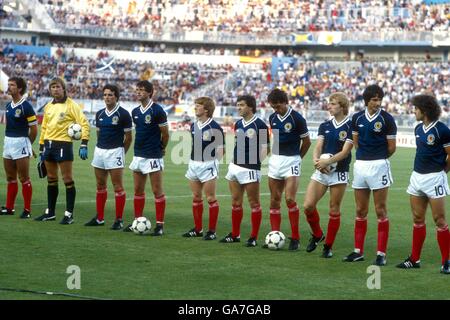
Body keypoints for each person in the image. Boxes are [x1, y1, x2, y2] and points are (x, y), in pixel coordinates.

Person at [343, 84, 397, 266]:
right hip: (360, 166)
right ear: (366, 101)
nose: (378, 102)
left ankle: (381, 254)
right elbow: (356, 143)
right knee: (360, 210)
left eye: (379, 99)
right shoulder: (357, 118)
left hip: (379, 165)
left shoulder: (387, 119)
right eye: (374, 99)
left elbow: (392, 148)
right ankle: (358, 251)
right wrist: (366, 157)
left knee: (380, 210)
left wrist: (378, 158)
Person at [396, 94, 450, 274]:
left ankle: (446, 262)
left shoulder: (442, 130)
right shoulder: (418, 129)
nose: (414, 112)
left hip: (435, 178)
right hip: (416, 177)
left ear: (425, 110)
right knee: (418, 219)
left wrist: (443, 171)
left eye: (416, 109)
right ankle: (414, 259)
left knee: (439, 220)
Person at [303, 92, 353, 258]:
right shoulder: (325, 125)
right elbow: (318, 146)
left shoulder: (351, 126)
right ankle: (317, 234)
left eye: (333, 104)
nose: (329, 106)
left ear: (342, 106)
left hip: (339, 173)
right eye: (329, 103)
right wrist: (317, 160)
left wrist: (327, 161)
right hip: (321, 170)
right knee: (308, 206)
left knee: (334, 210)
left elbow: (345, 152)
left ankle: (328, 247)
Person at [34, 77, 90, 224]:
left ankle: (69, 214)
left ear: (63, 88)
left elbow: (84, 123)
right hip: (48, 145)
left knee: (67, 179)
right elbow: (44, 127)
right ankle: (50, 213)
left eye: (58, 87)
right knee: (51, 179)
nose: (55, 89)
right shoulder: (48, 106)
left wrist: (84, 143)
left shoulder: (72, 105)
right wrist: (41, 148)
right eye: (52, 87)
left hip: (63, 145)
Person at [219, 95, 269, 247]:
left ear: (250, 107)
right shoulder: (238, 123)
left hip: (250, 168)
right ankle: (235, 234)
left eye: (241, 105)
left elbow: (266, 147)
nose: (238, 107)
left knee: (254, 203)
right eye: (238, 105)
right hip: (235, 166)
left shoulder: (259, 124)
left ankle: (253, 237)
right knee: (235, 202)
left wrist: (255, 163)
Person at [266, 88, 311, 251]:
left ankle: (296, 238)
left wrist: (298, 158)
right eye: (273, 107)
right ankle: (274, 235)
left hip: (292, 160)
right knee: (274, 200)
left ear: (285, 102)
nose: (276, 110)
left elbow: (306, 142)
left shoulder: (297, 118)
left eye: (278, 106)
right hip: (276, 160)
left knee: (290, 199)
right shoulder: (272, 118)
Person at [84, 84, 132, 230]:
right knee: (100, 186)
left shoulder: (123, 114)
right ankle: (99, 218)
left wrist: (120, 152)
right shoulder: (100, 114)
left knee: (117, 187)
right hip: (100, 151)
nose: (107, 97)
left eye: (110, 95)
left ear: (116, 97)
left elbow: (128, 138)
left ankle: (119, 220)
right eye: (105, 95)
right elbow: (98, 134)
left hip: (115, 152)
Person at [126, 80, 169, 235]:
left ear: (150, 93)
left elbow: (165, 134)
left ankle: (160, 226)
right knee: (138, 190)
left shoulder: (158, 111)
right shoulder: (135, 112)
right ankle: (137, 221)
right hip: (138, 154)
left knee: (157, 191)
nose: (138, 92)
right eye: (137, 89)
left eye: (142, 90)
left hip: (153, 156)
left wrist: (161, 149)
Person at [182, 96, 225, 240]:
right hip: (193, 164)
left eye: (198, 105)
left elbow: (221, 150)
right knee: (196, 197)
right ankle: (198, 229)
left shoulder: (215, 127)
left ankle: (212, 231)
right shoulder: (194, 125)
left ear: (206, 109)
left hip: (208, 165)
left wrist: (212, 162)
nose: (195, 107)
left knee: (211, 198)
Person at [1, 77, 38, 218]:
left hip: (21, 143)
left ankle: (27, 210)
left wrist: (28, 144)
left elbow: (34, 129)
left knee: (24, 178)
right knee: (10, 177)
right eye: (9, 84)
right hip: (8, 142)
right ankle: (9, 208)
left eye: (12, 85)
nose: (9, 87)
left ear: (20, 89)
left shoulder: (26, 106)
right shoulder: (9, 106)